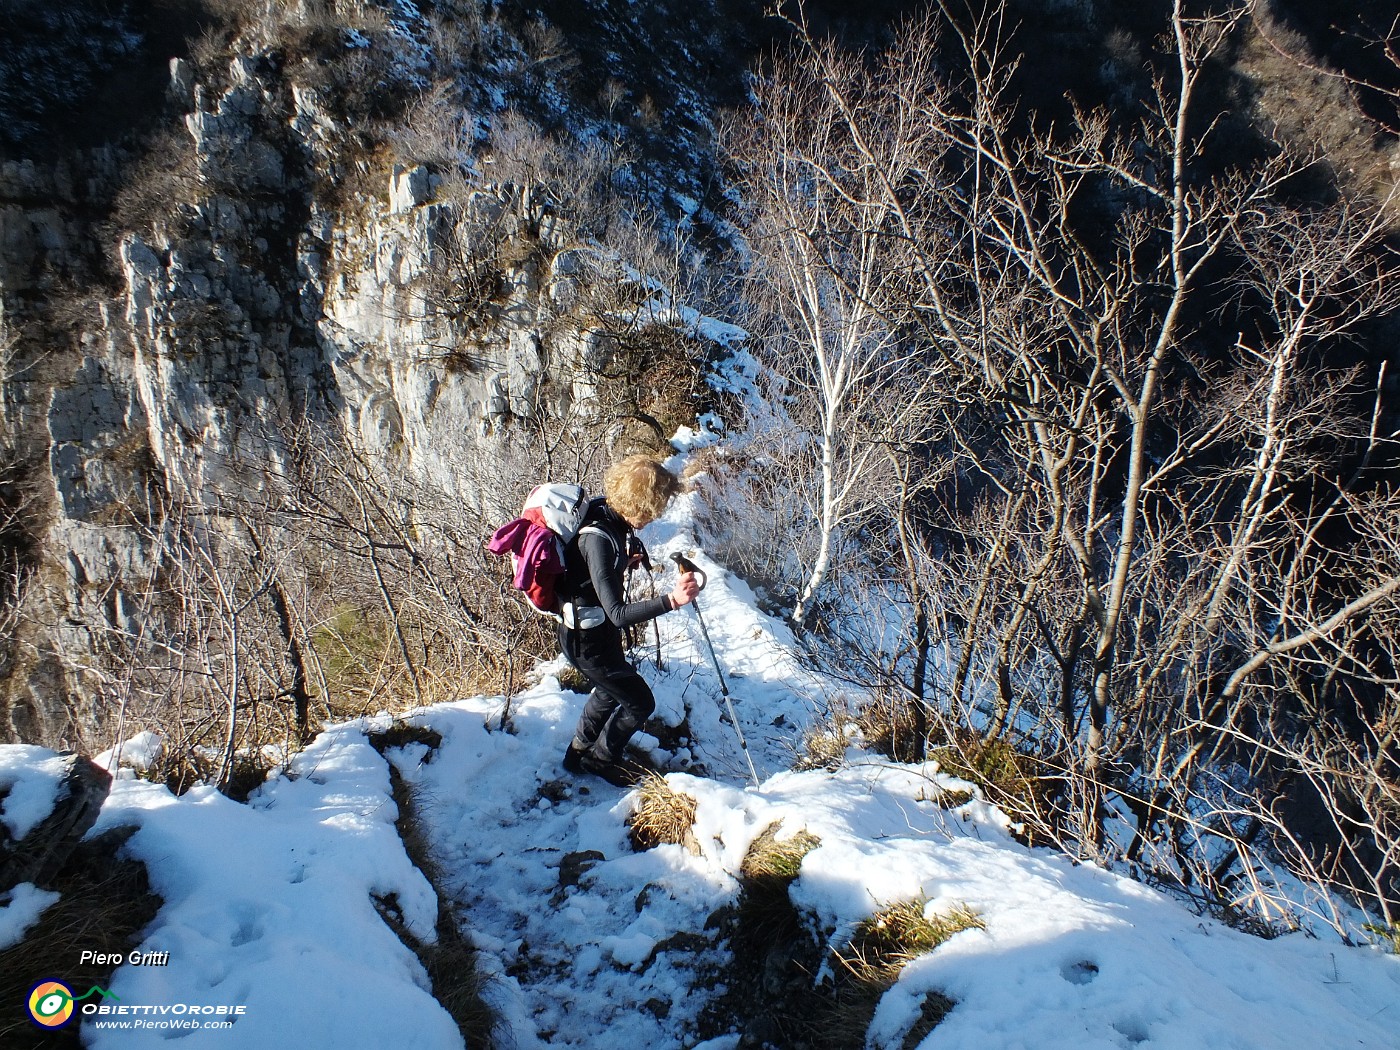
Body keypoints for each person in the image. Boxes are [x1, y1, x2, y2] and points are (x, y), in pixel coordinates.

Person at [559, 454, 699, 786]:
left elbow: (589, 579)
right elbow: (619, 615)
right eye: (653, 511)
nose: (654, 517)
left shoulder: (604, 512)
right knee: (639, 703)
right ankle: (600, 761)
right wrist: (673, 601)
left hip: (594, 632)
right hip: (587, 642)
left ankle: (575, 755)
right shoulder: (597, 538)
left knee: (610, 693)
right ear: (639, 506)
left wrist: (621, 565)